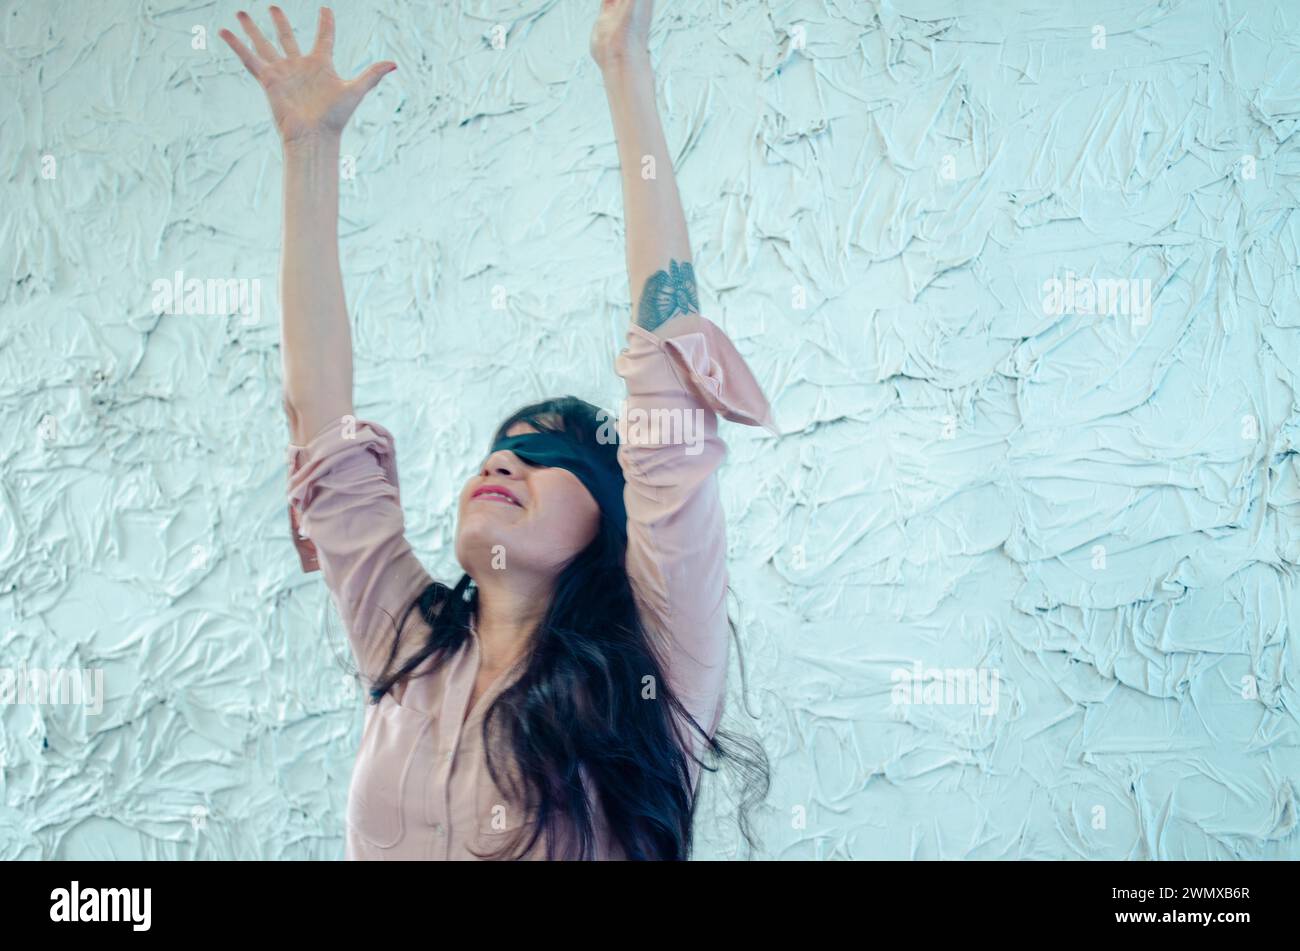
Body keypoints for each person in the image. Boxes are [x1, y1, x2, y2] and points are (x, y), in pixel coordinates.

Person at [221, 1, 777, 860]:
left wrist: (621, 61)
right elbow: (321, 417)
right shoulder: (408, 642)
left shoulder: (655, 670)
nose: (508, 459)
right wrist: (308, 150)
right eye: (501, 446)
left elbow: (667, 370)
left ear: (611, 517)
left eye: (552, 455)